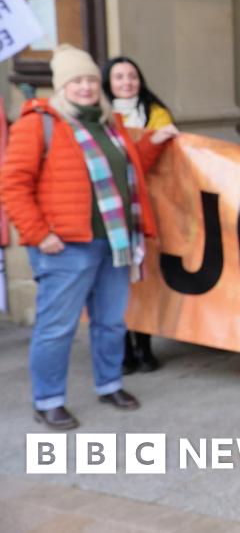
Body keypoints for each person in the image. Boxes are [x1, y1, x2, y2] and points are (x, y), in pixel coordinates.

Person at [1, 44, 178, 430]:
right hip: (63, 246)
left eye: (90, 80)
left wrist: (154, 142)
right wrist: (38, 234)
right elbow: (13, 185)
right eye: (76, 81)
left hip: (113, 241)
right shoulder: (39, 123)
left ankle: (109, 382)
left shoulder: (108, 122)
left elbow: (127, 169)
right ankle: (48, 400)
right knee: (57, 327)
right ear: (61, 85)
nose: (84, 87)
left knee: (112, 321)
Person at [102, 55, 177, 374]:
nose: (126, 83)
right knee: (115, 282)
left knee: (143, 279)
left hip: (150, 207)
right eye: (119, 77)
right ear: (108, 83)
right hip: (111, 209)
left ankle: (143, 347)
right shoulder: (99, 118)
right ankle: (121, 351)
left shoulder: (156, 114)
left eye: (131, 76)